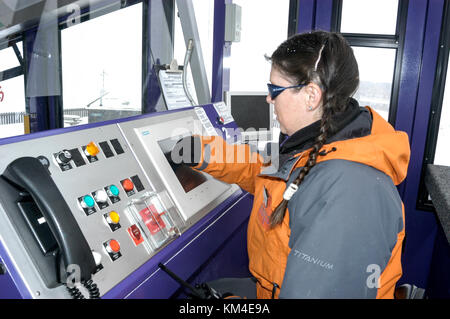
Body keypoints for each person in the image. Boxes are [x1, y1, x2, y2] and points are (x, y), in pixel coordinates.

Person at [173, 30, 410, 299]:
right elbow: (262, 172)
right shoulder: (313, 145)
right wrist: (204, 152)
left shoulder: (350, 192)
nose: (268, 99)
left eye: (274, 90)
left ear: (311, 95)